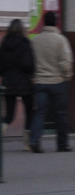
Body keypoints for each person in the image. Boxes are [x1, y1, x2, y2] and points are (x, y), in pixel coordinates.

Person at [28, 11, 73, 153]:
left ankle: (34, 140)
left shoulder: (35, 40)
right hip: (57, 82)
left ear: (44, 22)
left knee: (39, 113)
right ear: (56, 22)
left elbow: (30, 62)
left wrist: (34, 76)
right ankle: (62, 144)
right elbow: (66, 62)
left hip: (40, 81)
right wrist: (67, 76)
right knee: (60, 113)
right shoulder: (61, 40)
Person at [0, 19, 35, 149]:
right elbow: (28, 64)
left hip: (8, 81)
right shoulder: (25, 43)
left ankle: (2, 127)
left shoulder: (4, 44)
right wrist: (30, 73)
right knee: (29, 110)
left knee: (9, 114)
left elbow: (1, 66)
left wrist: (6, 74)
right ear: (21, 29)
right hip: (23, 82)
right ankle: (27, 142)